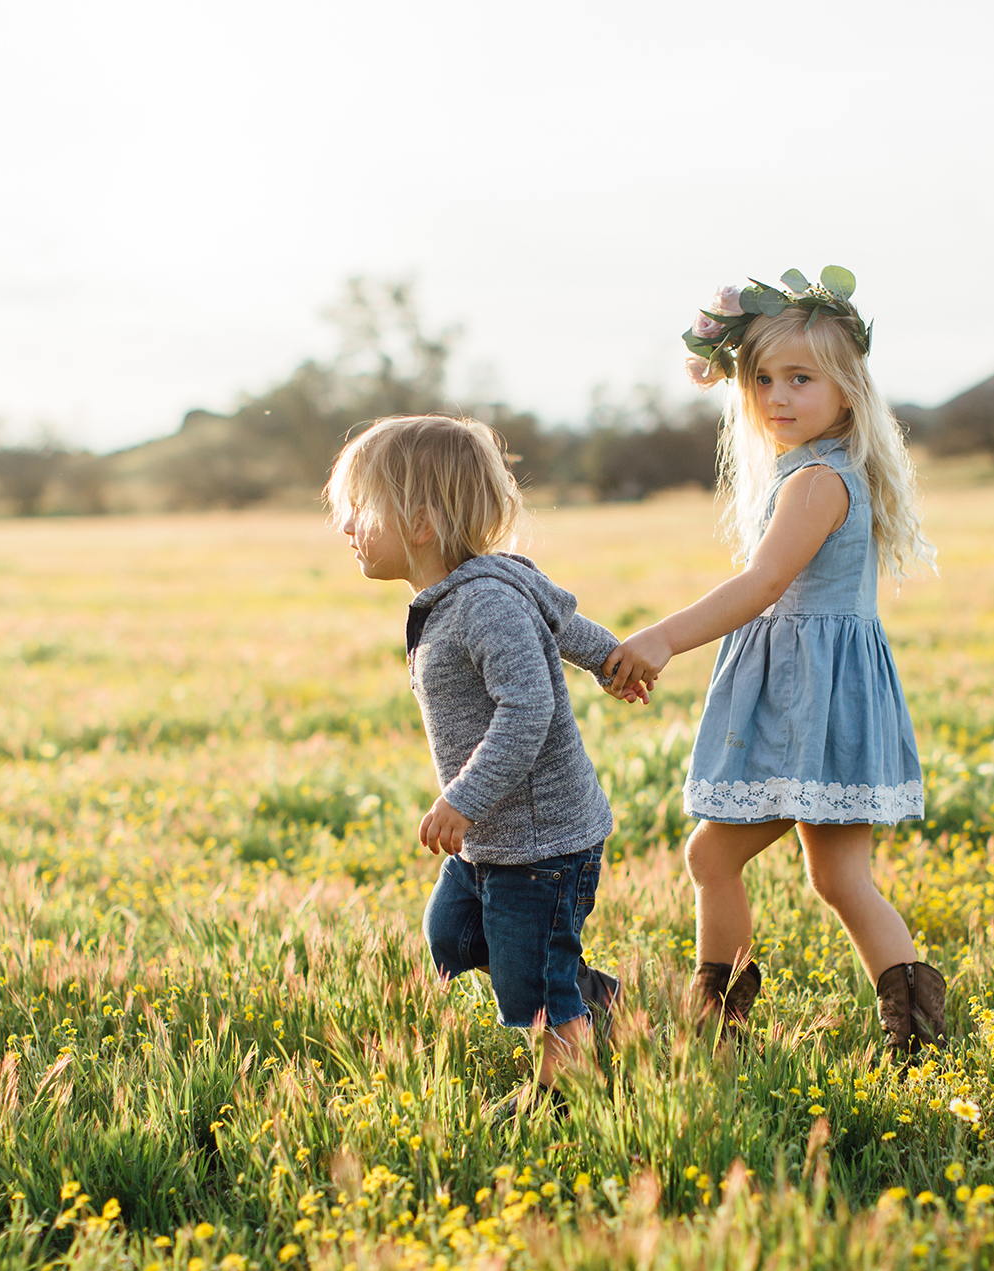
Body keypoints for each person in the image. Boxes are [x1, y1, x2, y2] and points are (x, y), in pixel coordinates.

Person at [603, 268, 948, 1056]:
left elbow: (762, 584)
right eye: (760, 378)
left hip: (809, 699)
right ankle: (912, 1034)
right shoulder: (814, 472)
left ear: (849, 390)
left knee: (714, 855)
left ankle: (721, 1019)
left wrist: (660, 638)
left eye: (801, 377)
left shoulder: (819, 480)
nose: (777, 395)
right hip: (821, 697)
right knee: (836, 880)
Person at [324, 414, 636, 1118]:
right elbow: (567, 623)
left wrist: (462, 797)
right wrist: (609, 660)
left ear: (422, 521)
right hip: (495, 837)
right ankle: (594, 992)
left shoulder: (485, 602)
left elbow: (526, 709)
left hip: (540, 842)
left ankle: (567, 1092)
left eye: (359, 509)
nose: (345, 526)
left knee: (529, 987)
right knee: (452, 937)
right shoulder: (468, 592)